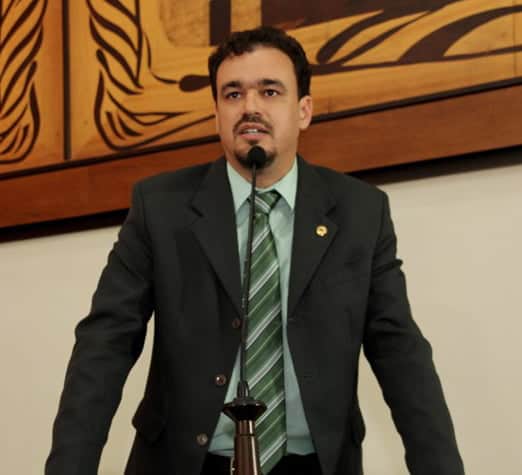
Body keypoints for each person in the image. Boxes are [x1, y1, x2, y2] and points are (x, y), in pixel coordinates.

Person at [46, 27, 464, 475]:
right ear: (216, 113)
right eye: (233, 94)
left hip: (312, 464)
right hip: (188, 463)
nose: (250, 107)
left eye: (269, 91)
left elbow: (400, 353)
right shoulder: (160, 208)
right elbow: (105, 344)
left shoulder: (361, 212)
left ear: (304, 110)